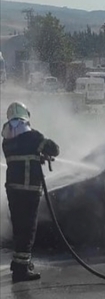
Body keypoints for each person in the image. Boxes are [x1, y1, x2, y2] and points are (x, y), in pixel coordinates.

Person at [2, 102, 60, 283]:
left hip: (12, 190)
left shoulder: (7, 141)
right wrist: (42, 154)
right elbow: (55, 149)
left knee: (19, 228)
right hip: (29, 191)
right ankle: (21, 270)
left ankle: (18, 263)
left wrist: (37, 158)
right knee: (28, 230)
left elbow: (22, 158)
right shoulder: (33, 137)